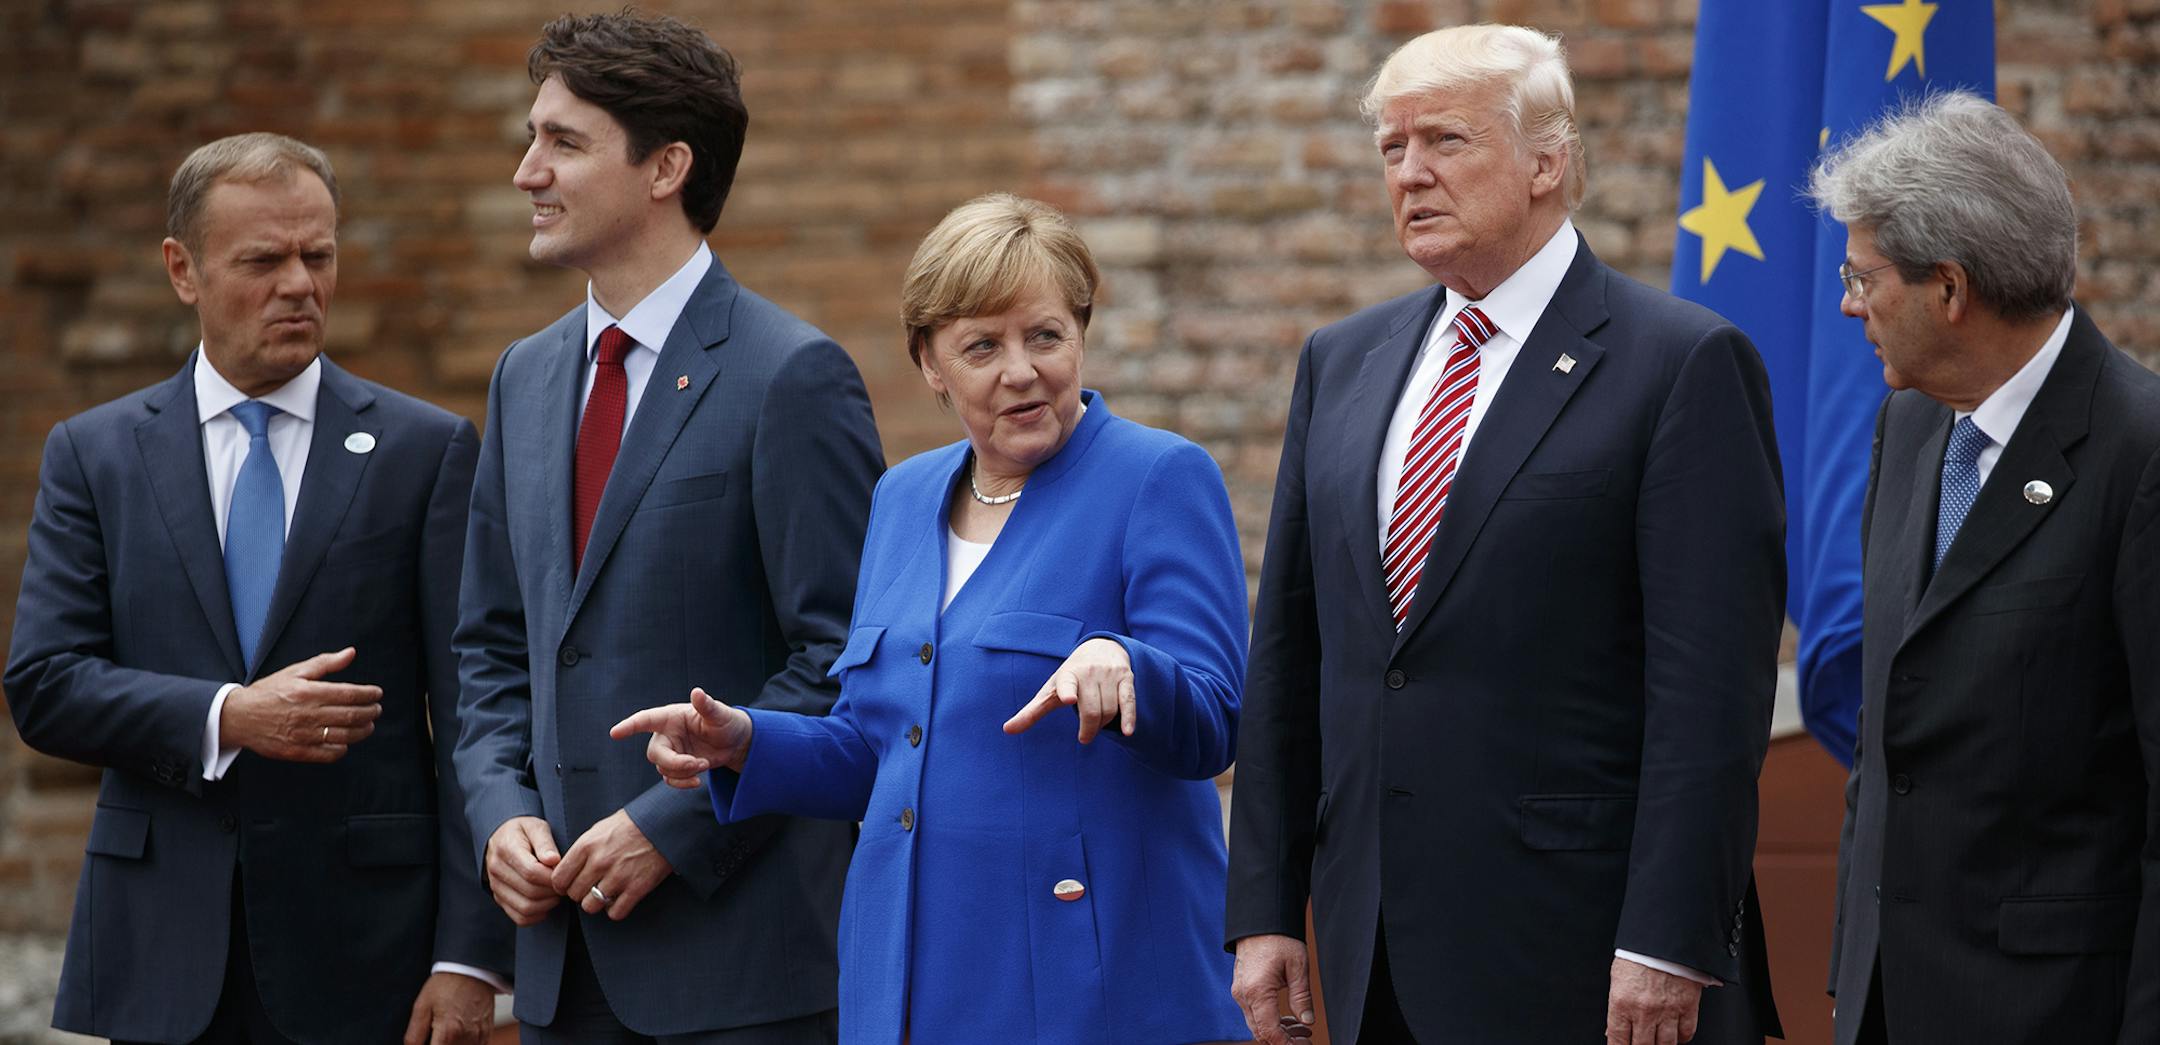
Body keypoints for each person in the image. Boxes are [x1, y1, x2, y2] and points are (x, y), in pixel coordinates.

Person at [1224, 24, 1786, 1045]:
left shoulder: (1680, 365)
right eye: (1392, 149)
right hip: (1373, 950)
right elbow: (1292, 654)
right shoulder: (1343, 363)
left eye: (1443, 140)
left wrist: (1668, 941)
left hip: (1581, 953)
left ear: (1547, 160)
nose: (1410, 174)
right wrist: (1264, 907)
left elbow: (1710, 696)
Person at [611, 193, 1250, 1045]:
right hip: (907, 979)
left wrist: (1131, 666)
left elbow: (1214, 720)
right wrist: (746, 742)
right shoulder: (902, 498)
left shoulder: (1158, 477)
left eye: (1045, 335)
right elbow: (879, 751)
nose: (1020, 370)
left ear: (1081, 336)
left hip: (1087, 985)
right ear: (931, 366)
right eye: (982, 345)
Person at [3, 133, 506, 1044]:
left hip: (369, 957)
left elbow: (476, 715)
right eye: (264, 260)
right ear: (182, 271)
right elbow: (45, 683)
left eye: (320, 255)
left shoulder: (424, 452)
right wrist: (230, 716)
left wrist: (467, 956)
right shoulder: (97, 455)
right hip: (165, 947)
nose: (301, 284)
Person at [452, 11, 882, 1042]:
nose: (527, 172)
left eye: (563, 141)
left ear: (666, 167)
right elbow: (493, 646)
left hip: (743, 972)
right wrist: (497, 811)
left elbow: (841, 659)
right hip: (560, 964)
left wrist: (675, 827)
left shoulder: (793, 376)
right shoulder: (525, 375)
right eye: (530, 137)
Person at [1807, 91, 2160, 1045]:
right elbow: (1891, 729)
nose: (1848, 303)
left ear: (1950, 289)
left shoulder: (2139, 453)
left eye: (1861, 274)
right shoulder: (1909, 421)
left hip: (2051, 1012)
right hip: (1889, 1000)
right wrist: (1853, 965)